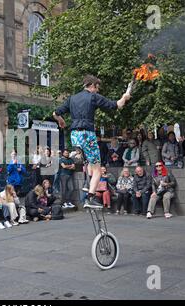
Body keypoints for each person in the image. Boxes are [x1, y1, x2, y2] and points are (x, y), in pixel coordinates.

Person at [53, 75, 131, 208]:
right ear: (92, 85)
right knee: (97, 170)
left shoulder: (72, 98)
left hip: (75, 136)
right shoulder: (93, 97)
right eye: (97, 88)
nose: (97, 91)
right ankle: (90, 198)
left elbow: (55, 113)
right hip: (87, 135)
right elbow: (116, 105)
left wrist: (61, 121)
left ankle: (86, 184)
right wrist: (125, 97)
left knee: (89, 161)